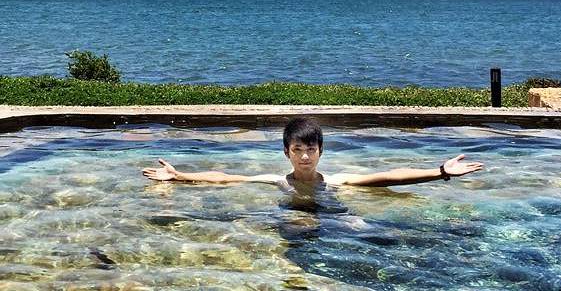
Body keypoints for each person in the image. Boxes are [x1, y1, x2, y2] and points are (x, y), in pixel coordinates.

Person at [142, 117, 484, 189]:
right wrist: (180, 176)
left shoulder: (335, 182)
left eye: (310, 150)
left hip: (332, 216)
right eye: (297, 150)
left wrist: (439, 172)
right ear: (286, 152)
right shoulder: (277, 181)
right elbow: (225, 177)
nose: (304, 156)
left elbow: (386, 177)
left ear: (321, 151)